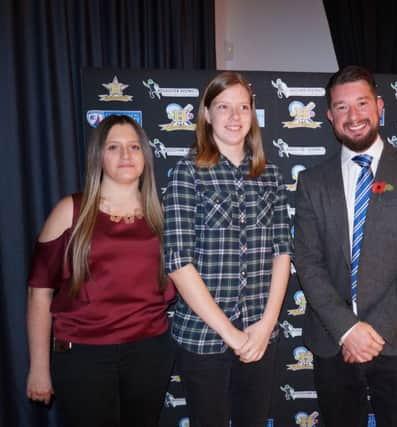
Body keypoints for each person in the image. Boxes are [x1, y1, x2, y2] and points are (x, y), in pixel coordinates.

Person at [294, 65, 397, 427]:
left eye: (361, 103)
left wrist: (374, 331)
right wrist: (348, 330)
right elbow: (308, 261)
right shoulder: (312, 182)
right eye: (342, 107)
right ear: (330, 116)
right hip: (334, 341)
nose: (353, 115)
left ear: (379, 106)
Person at [26, 115, 176, 427]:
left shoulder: (163, 216)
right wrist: (39, 368)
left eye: (134, 147)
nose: (126, 155)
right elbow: (39, 292)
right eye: (114, 147)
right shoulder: (70, 211)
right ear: (99, 156)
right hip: (83, 355)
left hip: (149, 352)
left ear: (145, 157)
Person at [163, 71, 292, 427]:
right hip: (204, 338)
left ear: (253, 115)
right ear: (206, 114)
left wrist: (265, 326)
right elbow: (177, 262)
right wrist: (230, 333)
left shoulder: (271, 176)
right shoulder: (186, 172)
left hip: (259, 335)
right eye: (223, 107)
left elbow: (283, 252)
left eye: (243, 107)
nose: (235, 117)